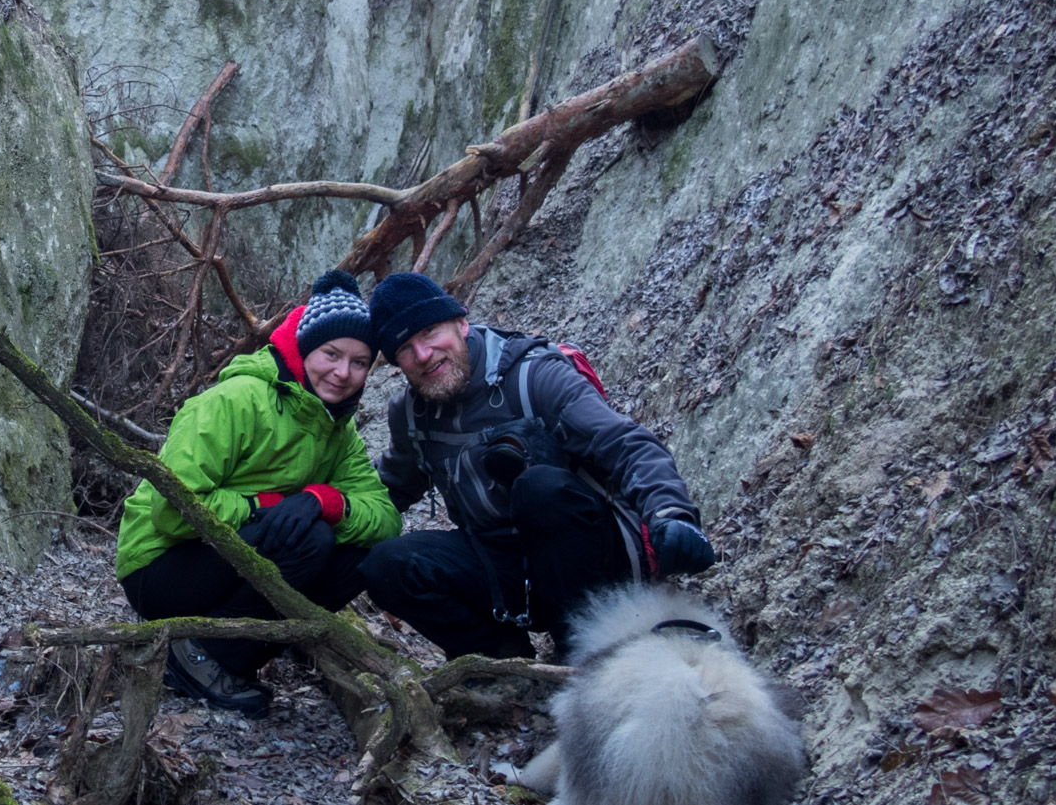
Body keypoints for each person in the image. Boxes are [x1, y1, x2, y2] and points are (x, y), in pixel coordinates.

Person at [358, 272, 715, 661]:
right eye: (405, 348)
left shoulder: (533, 375)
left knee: (540, 489)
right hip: (505, 571)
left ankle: (582, 644)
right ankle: (500, 657)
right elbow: (391, 487)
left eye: (429, 332)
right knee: (387, 565)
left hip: (590, 558)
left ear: (460, 322)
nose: (423, 354)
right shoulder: (411, 413)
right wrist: (328, 517)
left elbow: (622, 443)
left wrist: (670, 513)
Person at [114, 271, 402, 715]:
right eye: (331, 354)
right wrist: (263, 506)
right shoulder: (236, 400)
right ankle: (196, 654)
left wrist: (325, 501)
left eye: (360, 362)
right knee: (311, 539)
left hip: (228, 557)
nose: (343, 373)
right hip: (160, 566)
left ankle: (220, 655)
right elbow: (172, 512)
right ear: (306, 348)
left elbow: (385, 520)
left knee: (363, 556)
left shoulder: (337, 431)